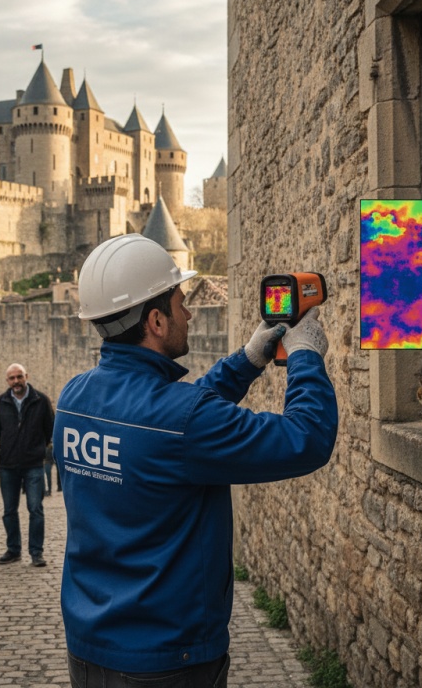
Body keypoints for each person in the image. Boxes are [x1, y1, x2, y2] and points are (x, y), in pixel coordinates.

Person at [54, 233, 338, 687]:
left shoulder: (74, 398)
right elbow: (306, 438)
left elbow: (168, 425)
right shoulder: (180, 421)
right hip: (166, 659)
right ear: (156, 321)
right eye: (180, 303)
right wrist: (305, 355)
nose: (189, 313)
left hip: (90, 647)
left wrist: (246, 361)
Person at [0, 363, 54, 567]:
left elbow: (49, 429)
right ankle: (13, 550)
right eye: (12, 378)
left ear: (26, 376)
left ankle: (36, 552)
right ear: (7, 381)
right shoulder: (0, 402)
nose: (16, 381)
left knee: (35, 509)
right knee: (9, 510)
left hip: (33, 464)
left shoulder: (41, 400)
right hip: (8, 464)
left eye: (19, 377)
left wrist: (36, 449)